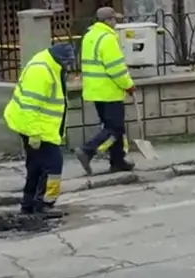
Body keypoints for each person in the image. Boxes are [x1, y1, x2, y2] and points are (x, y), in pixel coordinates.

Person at [3, 43, 75, 215]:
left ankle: (28, 204)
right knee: (53, 166)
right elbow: (30, 105)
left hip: (37, 125)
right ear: (60, 59)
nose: (69, 66)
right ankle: (44, 204)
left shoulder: (49, 64)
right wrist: (34, 134)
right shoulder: (42, 71)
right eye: (67, 63)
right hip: (36, 127)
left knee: (35, 165)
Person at [75, 6, 136, 175]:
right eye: (114, 19)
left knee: (112, 126)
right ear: (107, 21)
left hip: (95, 90)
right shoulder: (108, 38)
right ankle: (87, 150)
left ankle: (118, 161)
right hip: (109, 90)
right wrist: (128, 84)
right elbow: (115, 68)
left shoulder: (89, 36)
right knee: (115, 128)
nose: (116, 22)